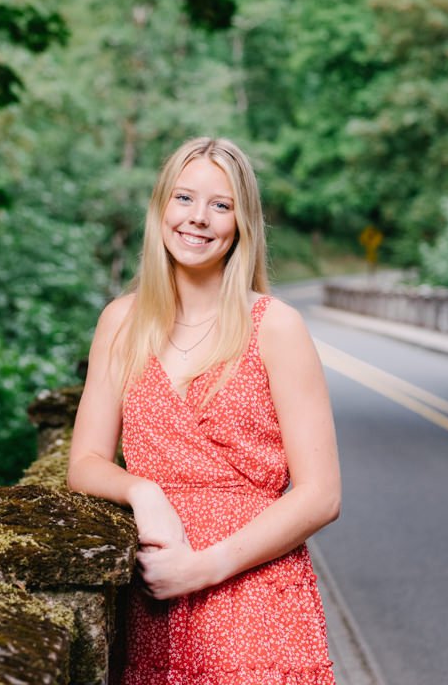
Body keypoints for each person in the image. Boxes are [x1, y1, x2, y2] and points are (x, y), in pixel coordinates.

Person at [67, 136, 341, 684]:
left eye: (221, 205)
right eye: (185, 198)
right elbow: (86, 461)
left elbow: (321, 494)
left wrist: (204, 567)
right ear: (161, 206)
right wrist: (144, 492)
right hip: (155, 595)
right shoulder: (122, 322)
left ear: (242, 223)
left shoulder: (275, 326)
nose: (198, 218)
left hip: (254, 595)